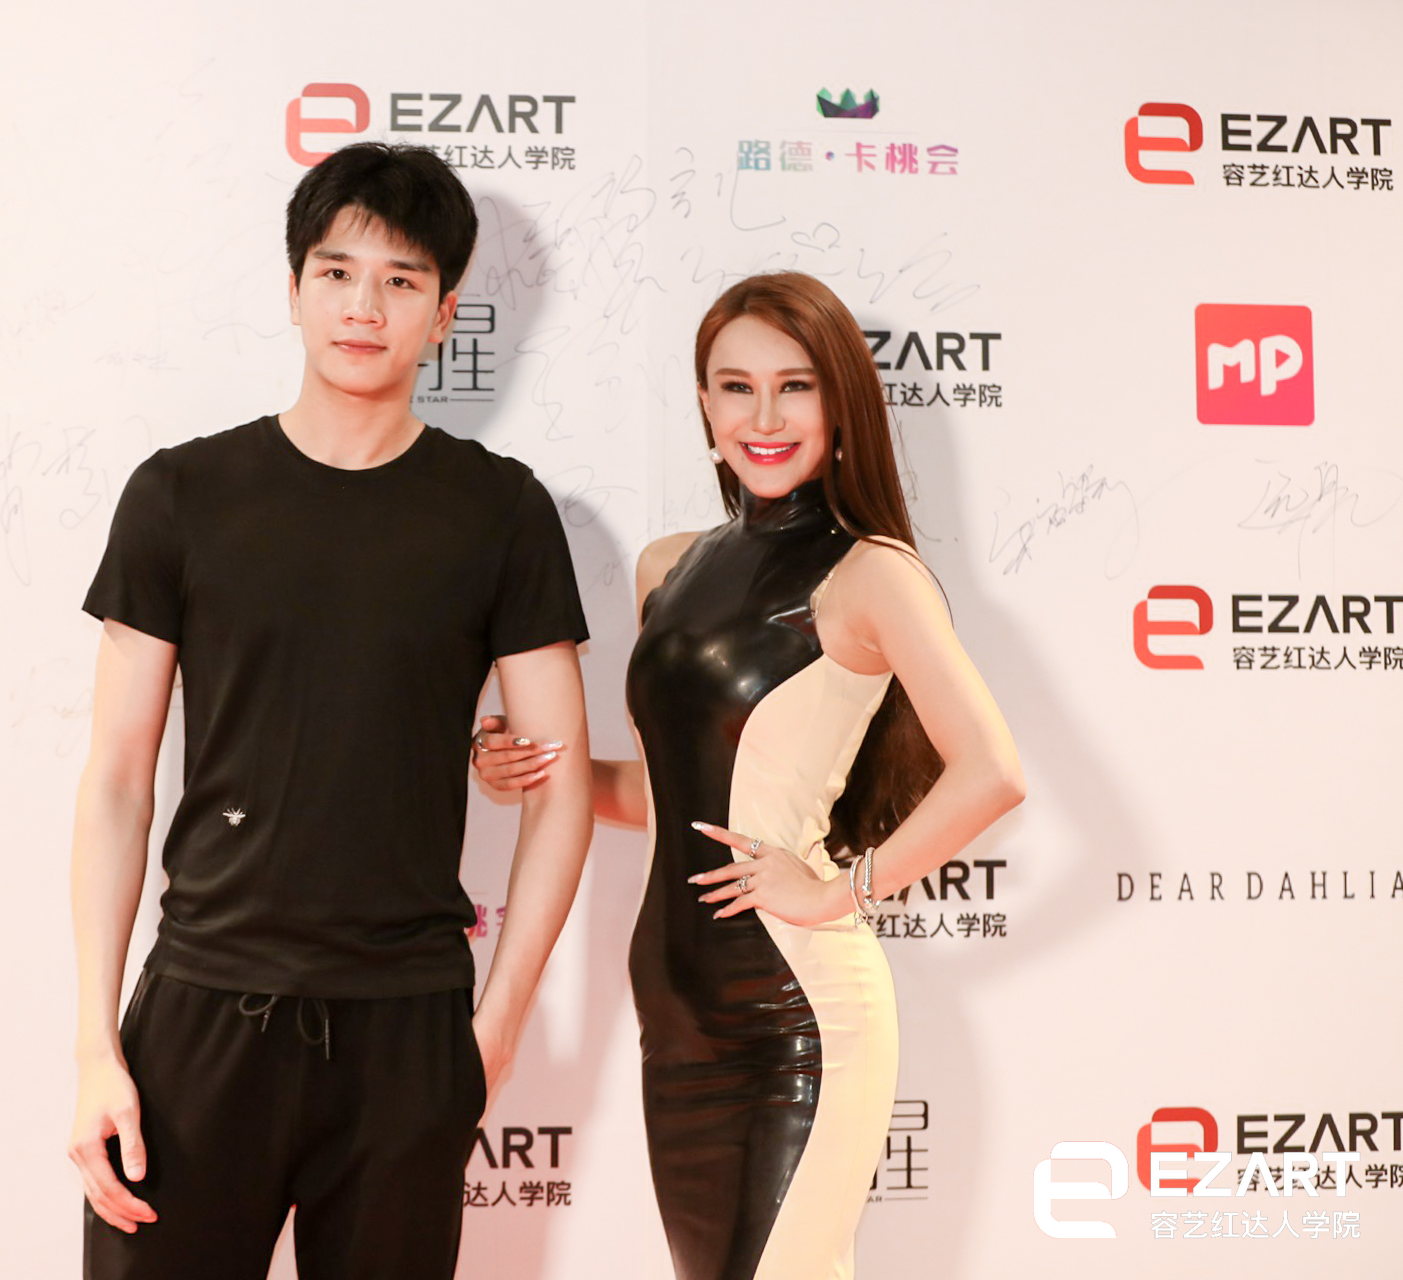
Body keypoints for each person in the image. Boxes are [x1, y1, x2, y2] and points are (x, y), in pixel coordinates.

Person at [68, 141, 594, 1280]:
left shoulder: (500, 512)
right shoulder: (181, 495)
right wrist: (95, 1045)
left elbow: (561, 788)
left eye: (401, 280)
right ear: (295, 288)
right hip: (202, 1012)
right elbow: (115, 780)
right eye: (337, 272)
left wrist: (495, 1029)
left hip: (407, 1030)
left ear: (444, 312)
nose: (364, 307)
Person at [474, 271, 1024, 1279]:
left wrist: (841, 887)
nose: (763, 418)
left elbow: (992, 772)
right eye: (737, 387)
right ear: (705, 402)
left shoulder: (872, 573)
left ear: (840, 403)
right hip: (674, 1013)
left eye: (794, 387)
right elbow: (666, 798)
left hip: (796, 1014)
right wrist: (537, 768)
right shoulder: (668, 567)